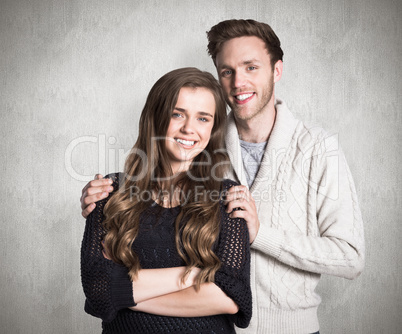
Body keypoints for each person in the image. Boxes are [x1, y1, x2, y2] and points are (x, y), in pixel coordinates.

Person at [80, 20, 365, 334]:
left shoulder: (318, 149)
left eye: (251, 67)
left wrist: (261, 236)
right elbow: (103, 277)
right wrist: (105, 197)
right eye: (227, 71)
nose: (238, 82)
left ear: (277, 70)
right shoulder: (202, 144)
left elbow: (349, 257)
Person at [80, 67, 252, 334]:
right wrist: (195, 275)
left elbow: (231, 298)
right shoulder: (109, 193)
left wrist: (124, 293)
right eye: (177, 114)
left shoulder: (228, 197)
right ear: (156, 117)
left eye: (203, 119)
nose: (189, 129)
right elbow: (98, 291)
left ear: (213, 128)